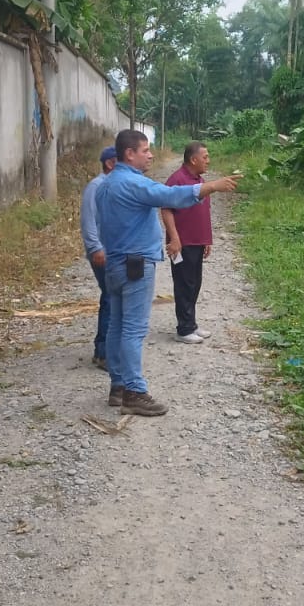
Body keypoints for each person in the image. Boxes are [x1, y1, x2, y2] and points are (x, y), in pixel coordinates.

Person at [97, 129, 241, 416]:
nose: (151, 155)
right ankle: (134, 392)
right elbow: (170, 196)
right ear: (129, 154)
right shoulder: (133, 183)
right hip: (135, 265)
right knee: (133, 329)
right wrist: (211, 187)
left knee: (116, 326)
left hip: (115, 263)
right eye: (145, 150)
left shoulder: (106, 184)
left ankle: (118, 387)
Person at [160, 141, 218, 344]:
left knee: (195, 284)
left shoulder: (200, 182)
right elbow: (166, 209)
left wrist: (207, 239)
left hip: (197, 241)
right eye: (205, 157)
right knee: (184, 285)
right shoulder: (177, 180)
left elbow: (203, 213)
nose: (208, 161)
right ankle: (183, 329)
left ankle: (191, 323)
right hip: (182, 243)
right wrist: (174, 238)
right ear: (193, 159)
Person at [79, 145, 117, 369]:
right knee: (111, 298)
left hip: (114, 252)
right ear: (110, 163)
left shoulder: (114, 185)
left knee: (112, 297)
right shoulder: (97, 186)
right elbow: (88, 221)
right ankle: (103, 353)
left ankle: (105, 349)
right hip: (103, 253)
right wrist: (95, 248)